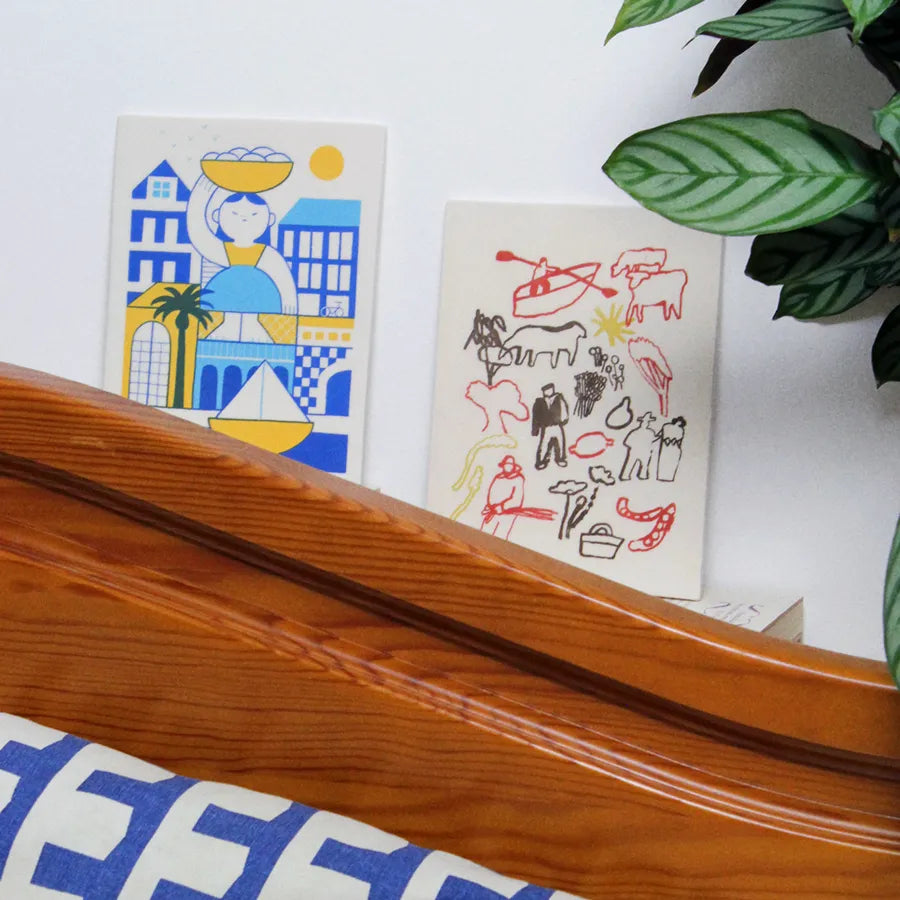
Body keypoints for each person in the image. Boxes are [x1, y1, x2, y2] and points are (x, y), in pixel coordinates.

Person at [187, 175, 298, 333]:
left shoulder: (268, 256)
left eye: (254, 214)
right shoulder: (221, 251)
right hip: (218, 312)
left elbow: (286, 288)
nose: (244, 218)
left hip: (263, 314)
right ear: (217, 216)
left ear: (270, 219)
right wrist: (204, 187)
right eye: (234, 214)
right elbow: (197, 229)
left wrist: (288, 317)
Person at [481, 455, 526, 539]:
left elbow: (517, 499)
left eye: (510, 465)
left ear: (513, 466)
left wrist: (502, 507)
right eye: (506, 464)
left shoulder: (518, 479)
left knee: (500, 537)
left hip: (507, 514)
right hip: (492, 512)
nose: (507, 467)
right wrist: (489, 506)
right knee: (483, 535)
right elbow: (491, 493)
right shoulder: (498, 477)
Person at [532, 383, 569, 470]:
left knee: (560, 441)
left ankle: (561, 458)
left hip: (557, 425)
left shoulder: (559, 398)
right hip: (546, 426)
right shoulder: (539, 401)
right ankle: (541, 460)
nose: (547, 392)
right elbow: (535, 416)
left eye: (549, 389)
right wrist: (535, 430)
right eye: (545, 390)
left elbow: (565, 409)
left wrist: (564, 420)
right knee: (544, 443)